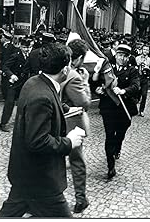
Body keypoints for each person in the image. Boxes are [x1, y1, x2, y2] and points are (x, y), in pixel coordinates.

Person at [0, 43, 83, 217]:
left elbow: (48, 101)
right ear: (65, 70)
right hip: (41, 181)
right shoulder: (42, 96)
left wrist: (65, 109)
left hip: (26, 175)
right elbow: (37, 141)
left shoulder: (36, 81)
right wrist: (69, 141)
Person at [94, 44, 139, 179]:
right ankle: (110, 166)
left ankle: (118, 146)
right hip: (109, 107)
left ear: (128, 57)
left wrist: (123, 91)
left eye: (124, 56)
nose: (121, 58)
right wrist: (98, 90)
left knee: (120, 133)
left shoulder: (132, 70)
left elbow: (136, 86)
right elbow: (97, 82)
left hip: (124, 109)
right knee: (109, 135)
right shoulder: (108, 70)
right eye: (119, 55)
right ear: (116, 55)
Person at [61, 39, 91, 213]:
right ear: (78, 58)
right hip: (72, 122)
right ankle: (81, 198)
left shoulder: (61, 69)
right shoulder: (74, 76)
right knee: (77, 161)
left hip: (59, 119)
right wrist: (85, 81)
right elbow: (84, 102)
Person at [0, 37, 33, 132]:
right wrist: (12, 75)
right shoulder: (16, 56)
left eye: (29, 47)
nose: (27, 49)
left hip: (24, 83)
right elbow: (5, 66)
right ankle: (3, 123)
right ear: (21, 47)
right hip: (14, 84)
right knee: (9, 103)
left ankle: (22, 123)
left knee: (24, 104)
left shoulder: (30, 56)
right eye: (25, 47)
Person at [135, 44, 150, 117]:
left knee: (144, 95)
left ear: (149, 51)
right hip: (137, 78)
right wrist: (137, 65)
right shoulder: (137, 58)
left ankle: (141, 110)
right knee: (136, 94)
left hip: (145, 79)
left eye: (147, 50)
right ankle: (134, 108)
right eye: (144, 49)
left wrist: (148, 69)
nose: (145, 51)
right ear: (141, 50)